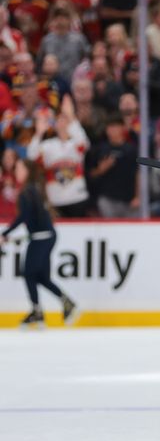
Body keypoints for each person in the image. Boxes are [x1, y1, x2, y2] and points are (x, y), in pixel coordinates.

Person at [0, 159, 77, 328]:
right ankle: (65, 303)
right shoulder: (33, 188)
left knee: (28, 273)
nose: (16, 171)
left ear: (27, 171)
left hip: (41, 237)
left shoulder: (28, 190)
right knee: (40, 277)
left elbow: (24, 216)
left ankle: (37, 311)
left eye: (19, 168)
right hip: (43, 236)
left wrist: (4, 233)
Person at [27, 96, 90, 217]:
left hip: (77, 197)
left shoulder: (75, 144)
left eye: (65, 119)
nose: (62, 122)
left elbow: (84, 143)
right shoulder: (47, 145)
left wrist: (71, 116)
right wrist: (39, 133)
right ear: (54, 124)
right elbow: (31, 157)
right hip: (55, 199)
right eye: (59, 119)